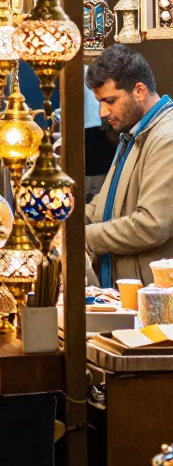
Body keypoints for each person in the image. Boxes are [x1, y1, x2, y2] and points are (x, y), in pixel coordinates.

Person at [84, 45, 173, 286]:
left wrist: (83, 237)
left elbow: (151, 225)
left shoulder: (167, 138)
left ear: (140, 91)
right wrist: (62, 221)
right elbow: (106, 204)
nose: (103, 112)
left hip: (149, 296)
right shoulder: (134, 133)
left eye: (110, 101)